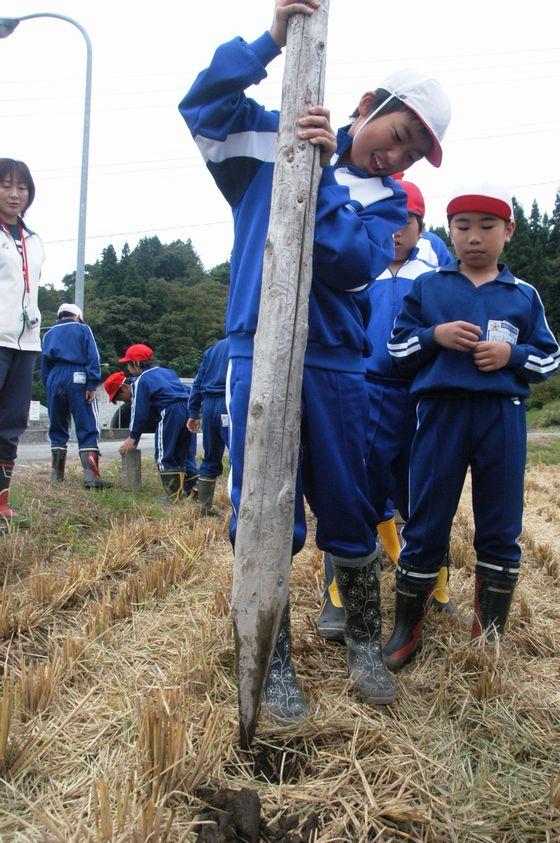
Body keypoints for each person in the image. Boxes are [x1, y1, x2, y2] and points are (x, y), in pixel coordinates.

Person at [179, 0, 450, 718]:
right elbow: (200, 104)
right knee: (261, 503)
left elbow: (347, 261)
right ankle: (270, 655)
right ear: (368, 103)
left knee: (349, 502)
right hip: (255, 345)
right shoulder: (272, 139)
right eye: (401, 134)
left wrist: (323, 172)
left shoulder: (387, 204)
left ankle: (362, 638)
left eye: (416, 151)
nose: (399, 156)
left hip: (334, 364)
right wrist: (269, 40)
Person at [382, 182, 560, 671]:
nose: (474, 237)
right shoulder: (429, 287)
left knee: (501, 524)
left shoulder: (522, 295)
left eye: (487, 227)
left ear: (508, 232)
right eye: (462, 226)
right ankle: (406, 628)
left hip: (502, 414)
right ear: (450, 232)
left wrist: (513, 354)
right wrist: (434, 336)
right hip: (439, 414)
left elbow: (549, 357)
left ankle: (490, 634)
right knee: (425, 521)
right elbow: (397, 351)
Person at [317, 179, 453, 641]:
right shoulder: (359, 264)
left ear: (421, 225)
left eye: (406, 222)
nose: (396, 232)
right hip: (366, 388)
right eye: (390, 222)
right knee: (357, 492)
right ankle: (337, 594)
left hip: (422, 393)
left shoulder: (438, 269)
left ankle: (436, 587)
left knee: (426, 492)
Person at [0, 159, 45, 529]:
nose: (15, 194)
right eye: (6, 186)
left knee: (11, 424)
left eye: (22, 187)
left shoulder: (34, 240)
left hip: (25, 344)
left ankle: (2, 505)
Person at [41, 303, 112, 489]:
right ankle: (91, 475)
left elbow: (44, 364)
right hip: (77, 375)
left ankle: (57, 475)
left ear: (59, 317)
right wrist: (92, 383)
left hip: (55, 376)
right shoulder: (83, 328)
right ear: (78, 316)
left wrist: (49, 384)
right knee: (86, 422)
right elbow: (92, 356)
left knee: (57, 424)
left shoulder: (48, 333)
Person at [116, 344, 198, 503]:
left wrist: (133, 436)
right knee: (182, 453)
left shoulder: (142, 380)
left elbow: (139, 410)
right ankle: (193, 492)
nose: (127, 368)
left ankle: (173, 497)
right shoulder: (168, 372)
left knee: (163, 455)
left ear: (137, 363)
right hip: (187, 407)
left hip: (169, 410)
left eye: (128, 363)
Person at [187, 338, 229, 516]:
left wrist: (193, 412)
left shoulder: (212, 349)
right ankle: (241, 508)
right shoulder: (246, 342)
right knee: (239, 457)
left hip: (209, 407)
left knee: (210, 457)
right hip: (229, 401)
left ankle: (204, 507)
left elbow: (197, 381)